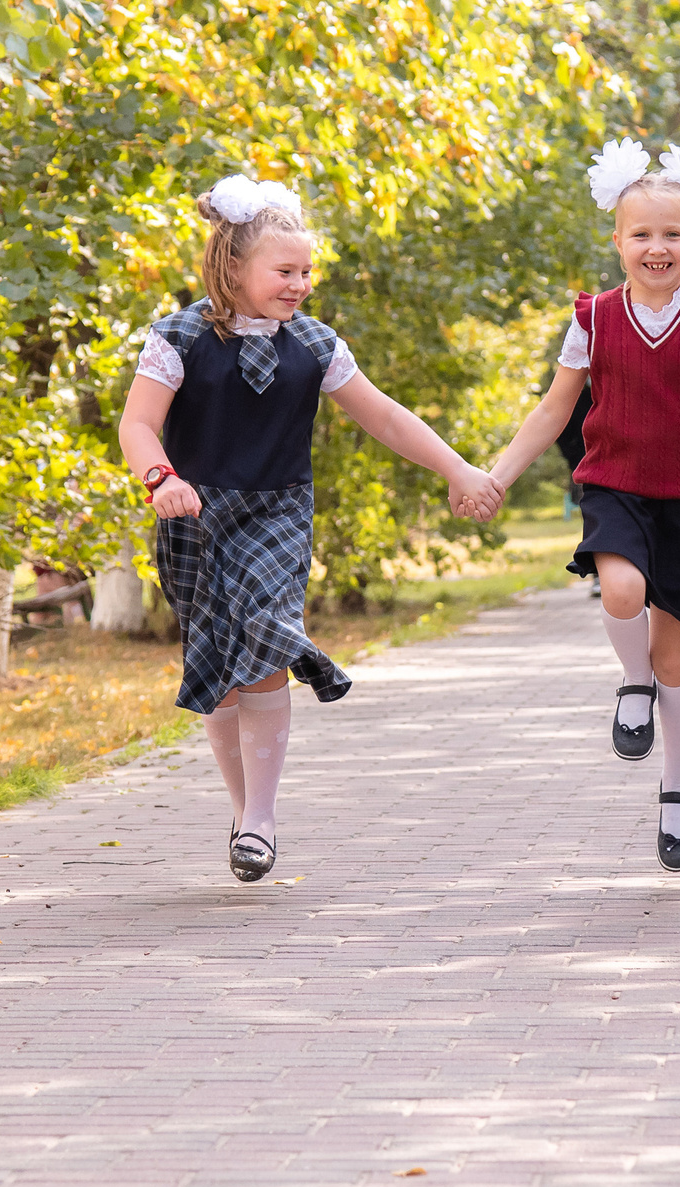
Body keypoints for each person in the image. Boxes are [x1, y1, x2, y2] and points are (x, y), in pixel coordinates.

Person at [117, 174, 501, 884]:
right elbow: (137, 424)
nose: (300, 285)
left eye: (306, 272)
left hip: (278, 513)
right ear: (234, 266)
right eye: (285, 272)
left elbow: (385, 416)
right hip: (195, 516)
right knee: (218, 670)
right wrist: (160, 478)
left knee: (266, 638)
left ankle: (261, 818)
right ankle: (245, 814)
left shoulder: (318, 345)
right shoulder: (177, 337)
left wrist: (457, 469)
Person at [489, 139, 680, 871]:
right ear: (617, 241)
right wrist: (499, 474)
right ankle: (631, 680)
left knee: (678, 657)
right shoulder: (595, 317)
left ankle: (678, 788)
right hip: (614, 485)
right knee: (621, 589)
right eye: (640, 234)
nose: (657, 247)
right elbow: (554, 410)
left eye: (672, 234)